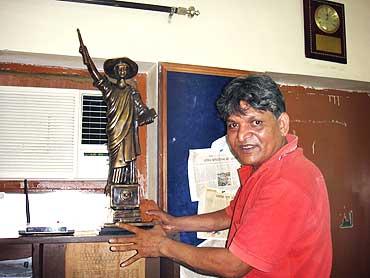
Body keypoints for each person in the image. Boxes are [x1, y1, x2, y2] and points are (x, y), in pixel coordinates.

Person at [108, 75, 332, 277]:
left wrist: (161, 246)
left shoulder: (286, 181)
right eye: (234, 125)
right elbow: (230, 214)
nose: (242, 136)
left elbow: (233, 265)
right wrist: (175, 224)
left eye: (256, 122)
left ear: (282, 124)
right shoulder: (267, 169)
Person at [77, 29, 157, 194]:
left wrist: (148, 115)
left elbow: (141, 111)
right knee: (116, 160)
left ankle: (128, 187)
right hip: (115, 132)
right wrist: (87, 59)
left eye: (124, 68)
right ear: (115, 71)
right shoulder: (109, 89)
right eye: (119, 68)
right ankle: (113, 185)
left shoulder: (132, 92)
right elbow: (96, 76)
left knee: (128, 161)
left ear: (127, 72)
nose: (122, 71)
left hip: (128, 132)